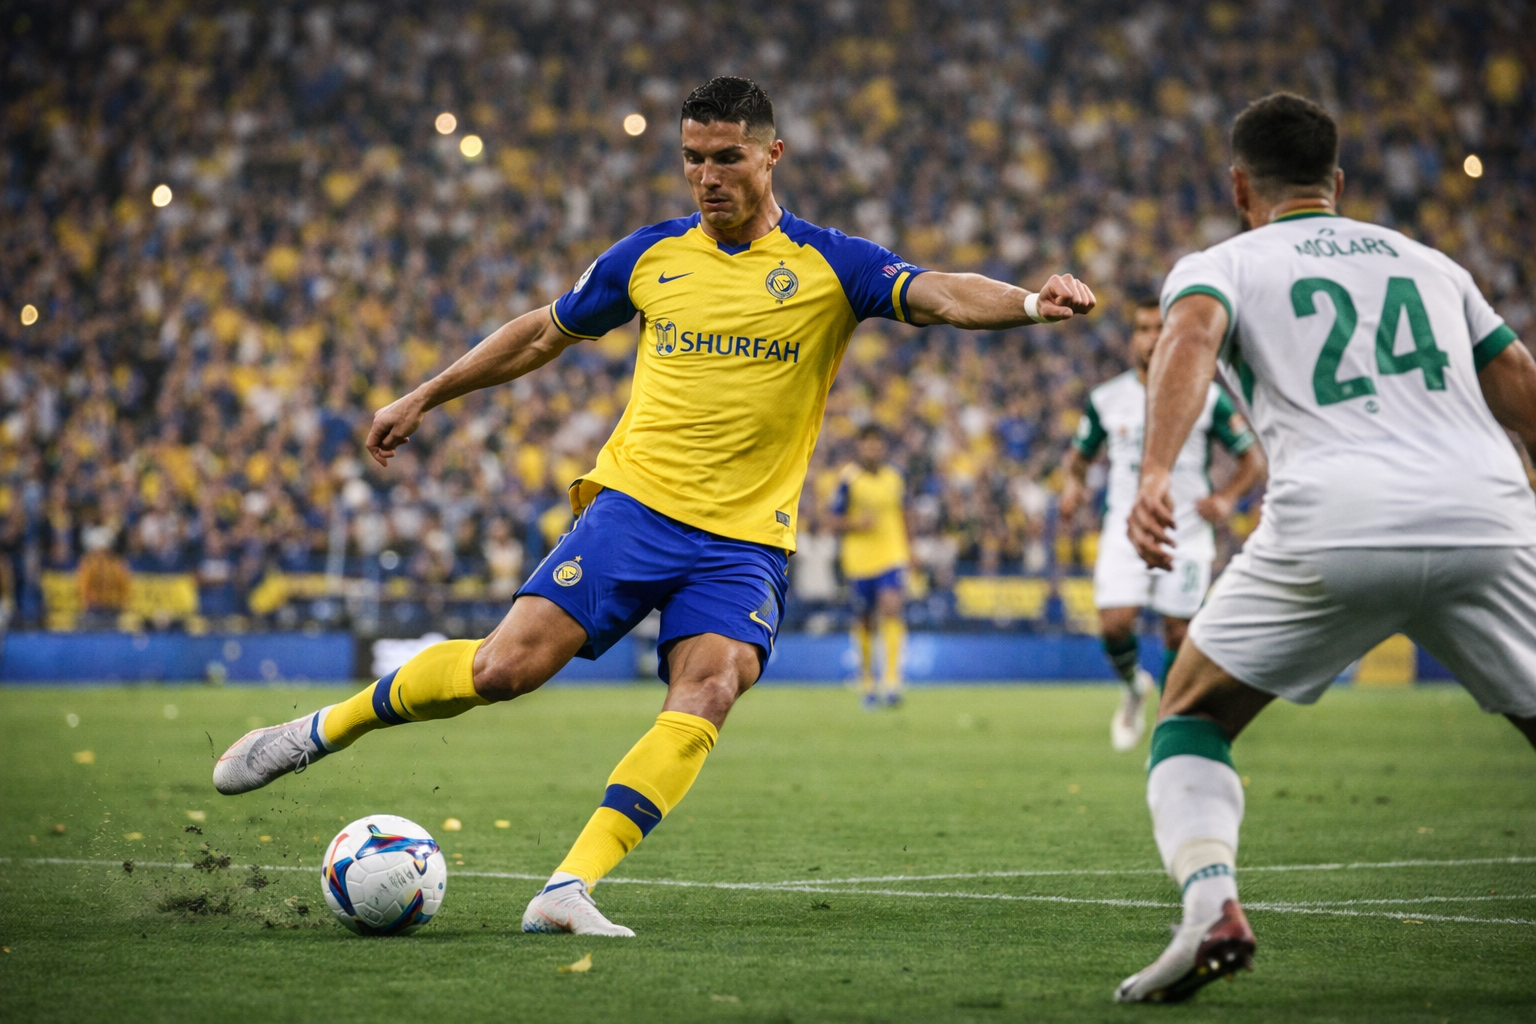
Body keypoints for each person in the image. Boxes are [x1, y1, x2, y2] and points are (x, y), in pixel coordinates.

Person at [212, 77, 1096, 937]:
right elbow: (540, 332)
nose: (707, 176)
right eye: (691, 159)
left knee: (710, 687)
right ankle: (317, 731)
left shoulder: (834, 264)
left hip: (745, 539)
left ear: (772, 155)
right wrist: (424, 395)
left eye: (727, 157)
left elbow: (940, 294)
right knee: (501, 672)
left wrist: (1027, 302)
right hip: (635, 509)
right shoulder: (649, 255)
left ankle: (567, 887)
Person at [1116, 92, 1536, 1003]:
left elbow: (1188, 335)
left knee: (1190, 713)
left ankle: (1211, 907)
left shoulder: (1222, 262)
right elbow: (1520, 385)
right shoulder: (1432, 264)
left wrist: (1155, 473)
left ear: (1239, 186)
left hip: (1337, 518)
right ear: (1337, 183)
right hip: (1489, 514)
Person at [1060, 297, 1264, 751]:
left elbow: (1253, 458)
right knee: (1114, 625)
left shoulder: (1205, 395)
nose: (1151, 339)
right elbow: (1077, 460)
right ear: (1133, 337)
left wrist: (1228, 498)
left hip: (1186, 530)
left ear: (1172, 335)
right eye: (1142, 329)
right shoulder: (1106, 399)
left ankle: (1169, 720)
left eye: (1159, 329)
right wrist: (1073, 485)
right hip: (1124, 528)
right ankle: (1134, 686)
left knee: (1178, 631)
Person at [830, 424, 910, 708]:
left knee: (891, 607)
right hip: (859, 559)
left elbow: (903, 514)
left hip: (891, 554)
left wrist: (909, 550)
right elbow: (831, 520)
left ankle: (892, 681)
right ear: (860, 447)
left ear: (883, 447)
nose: (872, 449)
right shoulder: (848, 480)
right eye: (867, 444)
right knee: (864, 619)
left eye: (877, 444)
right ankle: (867, 679)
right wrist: (855, 523)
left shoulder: (895, 477)